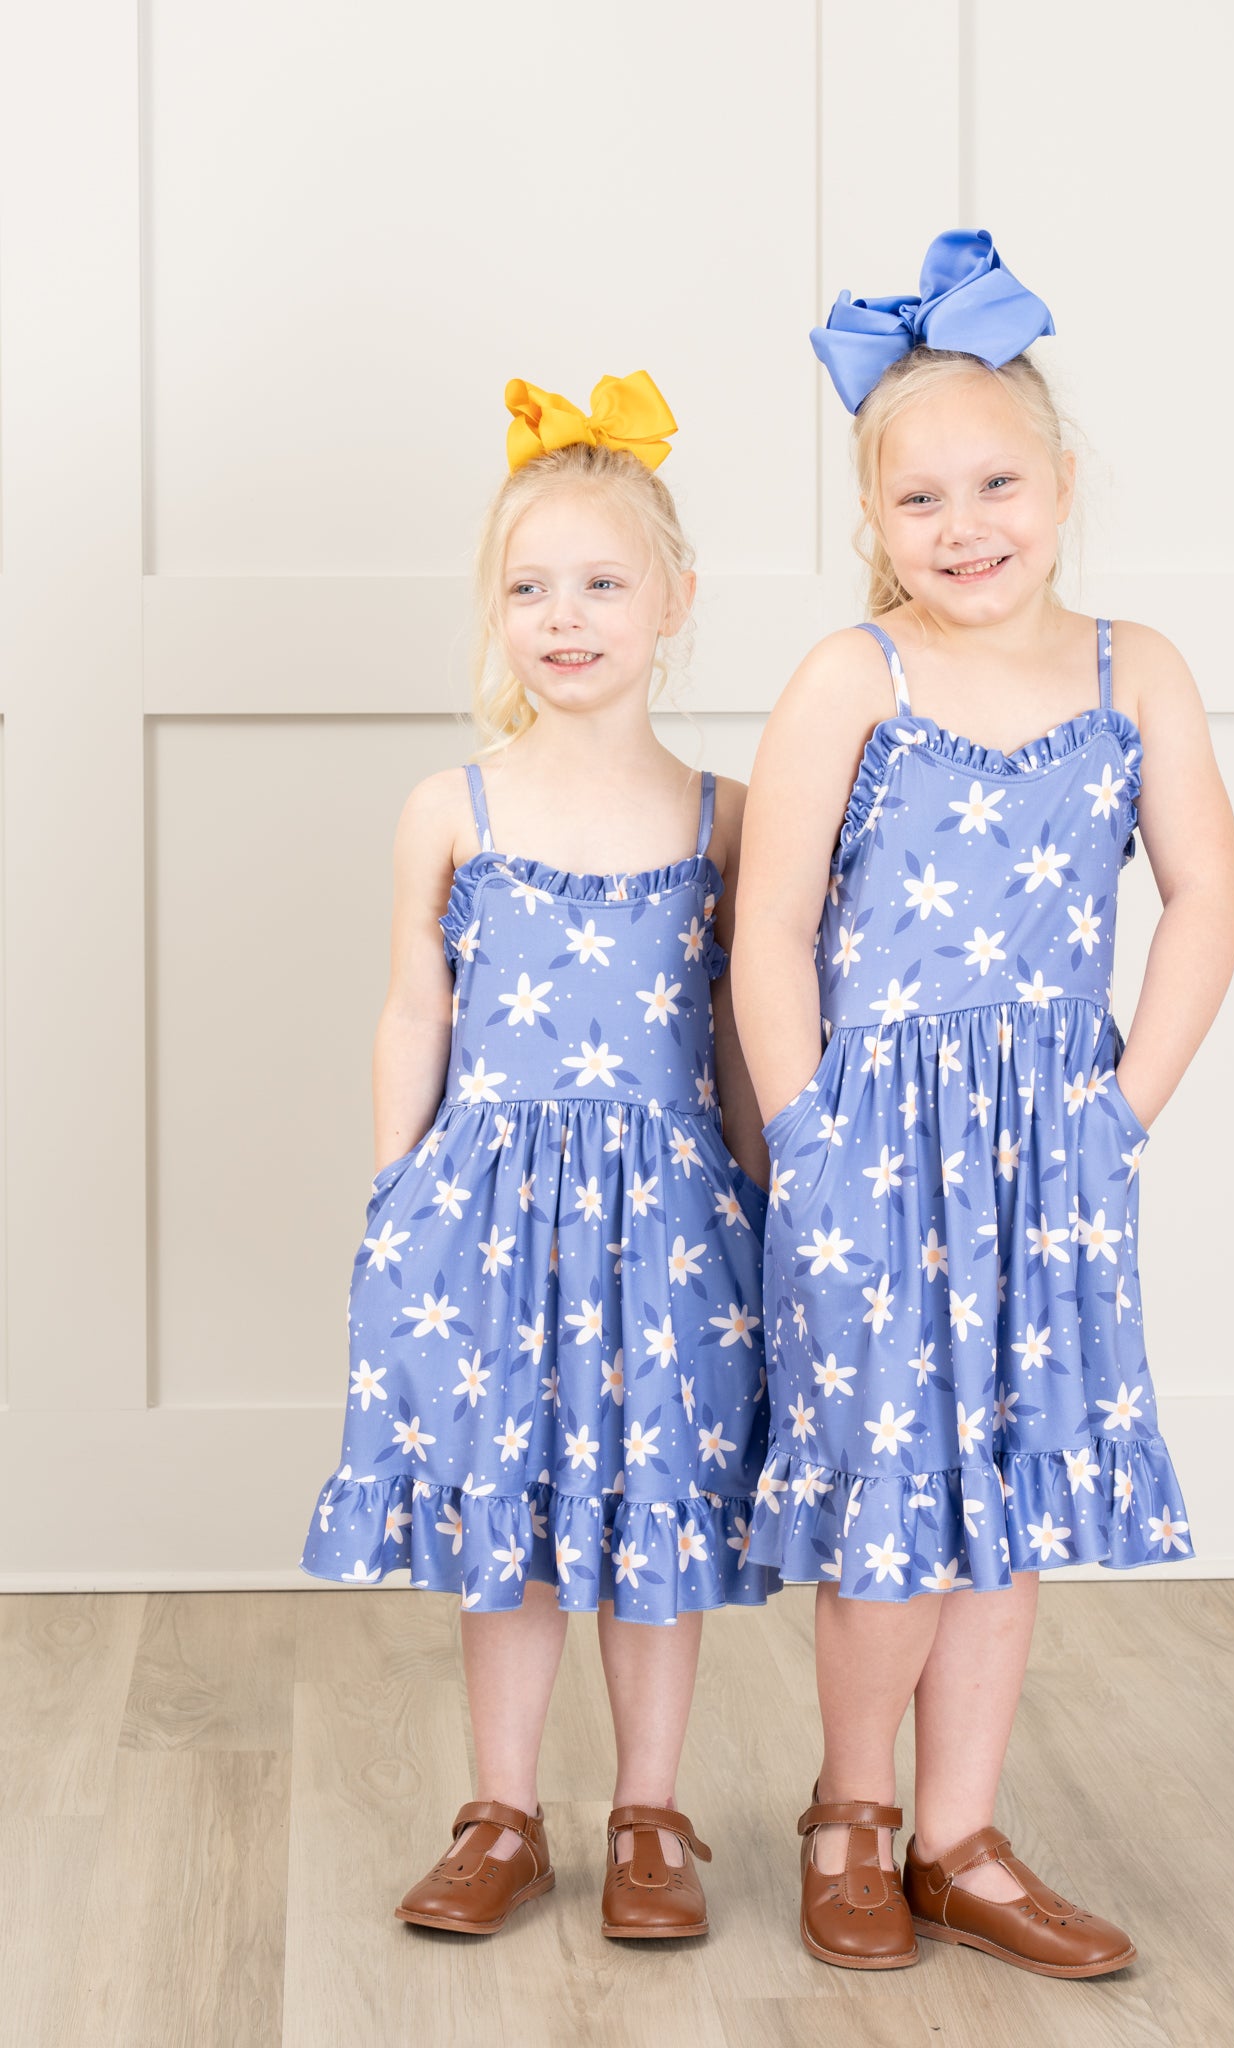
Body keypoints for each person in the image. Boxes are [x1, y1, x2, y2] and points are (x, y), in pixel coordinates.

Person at [732, 230, 1234, 1973]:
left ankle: (961, 1836)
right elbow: (771, 926)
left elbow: (1208, 897)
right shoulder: (850, 679)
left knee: (1003, 1501)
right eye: (920, 499)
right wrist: (807, 1136)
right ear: (874, 522)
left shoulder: (1133, 671)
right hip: (875, 1154)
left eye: (998, 485)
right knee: (894, 1505)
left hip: (1048, 1152)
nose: (965, 527)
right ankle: (852, 1814)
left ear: (1064, 484)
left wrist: (1123, 1111)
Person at [300, 370, 777, 1943]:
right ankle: (500, 1812)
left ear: (674, 601)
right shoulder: (453, 808)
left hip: (670, 1230)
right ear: (494, 610)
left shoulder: (721, 818)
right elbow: (412, 1008)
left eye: (602, 585)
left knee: (652, 1527)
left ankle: (650, 1816)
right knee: (507, 1531)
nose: (564, 618)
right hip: (490, 1225)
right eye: (529, 589)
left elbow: (739, 1033)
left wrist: (763, 1200)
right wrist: (397, 1198)